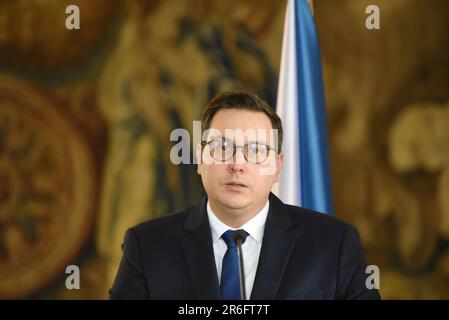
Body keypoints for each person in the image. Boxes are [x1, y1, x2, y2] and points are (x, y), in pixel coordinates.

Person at [109, 91, 381, 300]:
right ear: (201, 159)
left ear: (277, 167)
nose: (238, 164)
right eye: (222, 147)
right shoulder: (147, 246)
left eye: (255, 151)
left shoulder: (334, 245)